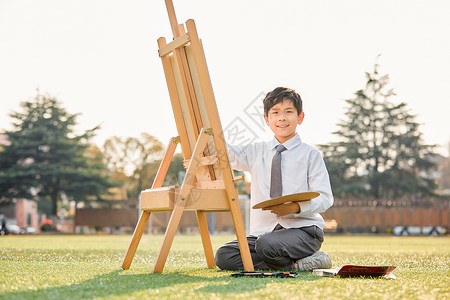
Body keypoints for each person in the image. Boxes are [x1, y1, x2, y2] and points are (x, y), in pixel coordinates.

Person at [215, 87, 334, 271]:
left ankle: (291, 259)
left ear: (300, 117)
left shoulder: (311, 155)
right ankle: (297, 264)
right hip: (264, 233)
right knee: (224, 256)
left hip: (303, 230)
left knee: (267, 245)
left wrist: (295, 207)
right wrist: (205, 129)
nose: (281, 118)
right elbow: (224, 153)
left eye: (289, 112)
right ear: (266, 119)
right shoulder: (256, 152)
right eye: (275, 113)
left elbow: (325, 198)